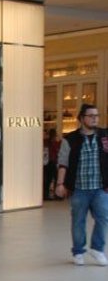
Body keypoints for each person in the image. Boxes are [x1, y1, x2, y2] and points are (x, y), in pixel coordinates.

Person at [55, 103, 108, 265]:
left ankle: (97, 249)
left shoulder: (105, 136)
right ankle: (78, 251)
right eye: (91, 116)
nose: (95, 119)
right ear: (81, 118)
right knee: (78, 221)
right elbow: (63, 163)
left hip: (100, 188)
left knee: (103, 218)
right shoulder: (70, 139)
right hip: (79, 189)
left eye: (96, 116)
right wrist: (60, 184)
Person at [43, 128, 61, 200]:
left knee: (49, 179)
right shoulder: (52, 143)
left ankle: (47, 195)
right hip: (51, 162)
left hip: (49, 162)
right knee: (52, 178)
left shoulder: (46, 142)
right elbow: (56, 152)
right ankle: (55, 194)